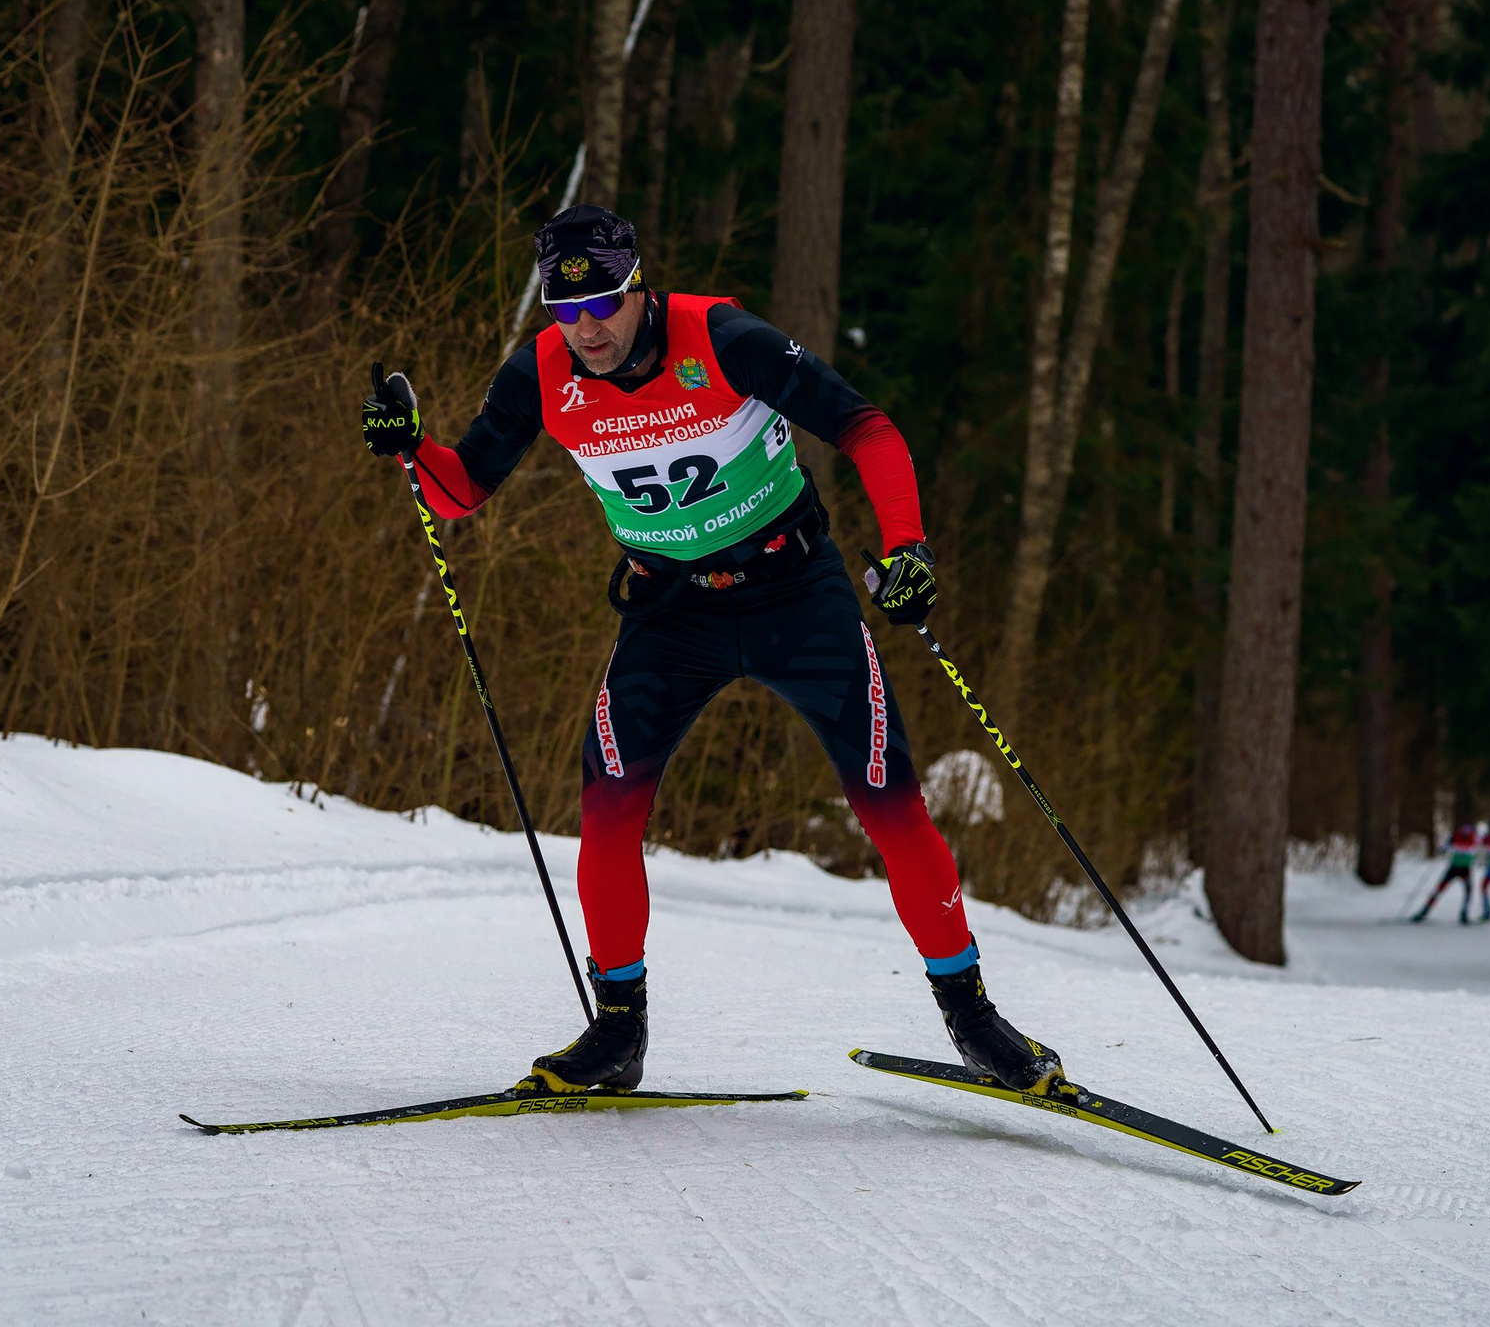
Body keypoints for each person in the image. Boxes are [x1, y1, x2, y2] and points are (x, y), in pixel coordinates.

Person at [358, 206, 1063, 1096]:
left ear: (638, 285)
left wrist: (908, 548)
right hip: (668, 607)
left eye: (605, 303)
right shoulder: (541, 370)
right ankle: (617, 1033)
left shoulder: (722, 339)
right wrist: (409, 448)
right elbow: (460, 493)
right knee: (608, 804)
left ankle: (973, 1019)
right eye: (565, 311)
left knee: (889, 801)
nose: (589, 328)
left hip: (794, 589)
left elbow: (868, 428)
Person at [1412, 821, 1482, 923]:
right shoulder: (1454, 837)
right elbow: (1444, 846)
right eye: (1465, 829)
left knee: (1468, 892)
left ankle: (1464, 914)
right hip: (1453, 868)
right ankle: (1424, 911)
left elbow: (1485, 844)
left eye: (1469, 829)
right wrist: (1442, 850)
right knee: (1439, 890)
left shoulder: (1474, 839)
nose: (1466, 832)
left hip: (1465, 870)